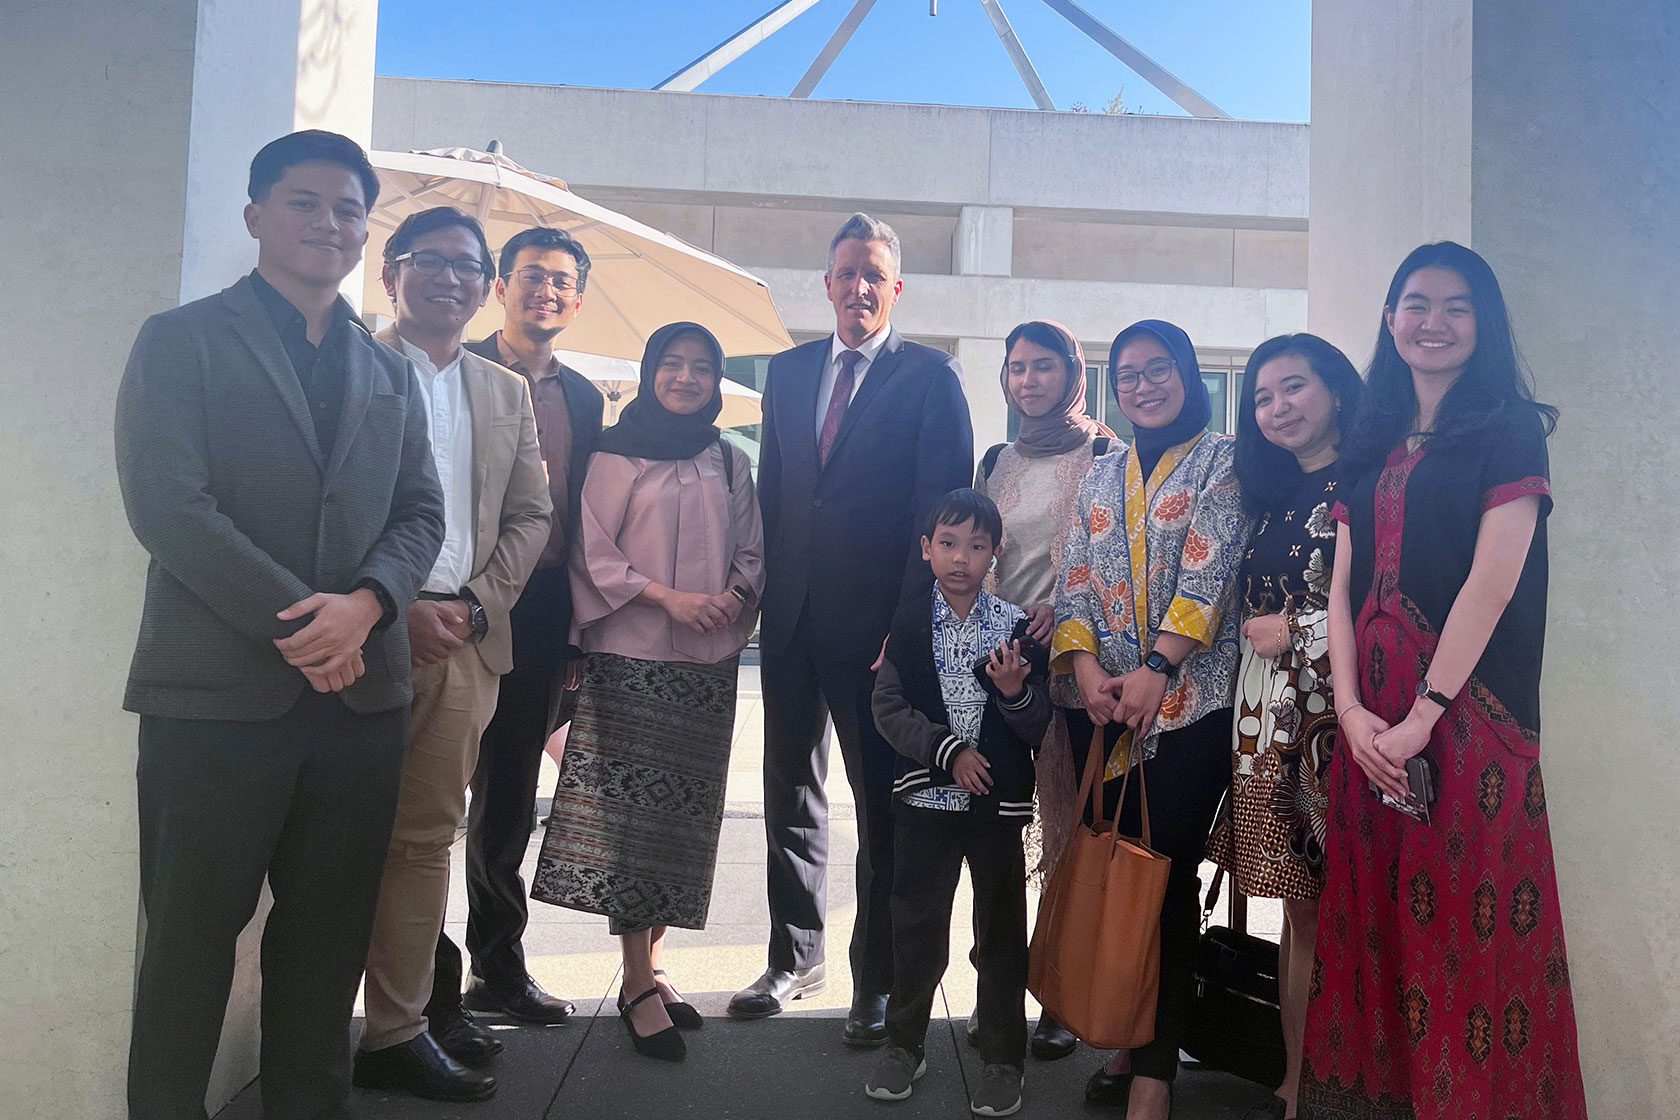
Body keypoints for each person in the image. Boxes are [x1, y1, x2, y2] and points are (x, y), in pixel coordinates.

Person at [115, 130, 446, 1120]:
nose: (329, 223)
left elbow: (420, 513)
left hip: (360, 706)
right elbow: (170, 506)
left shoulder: (387, 370)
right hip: (215, 699)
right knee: (187, 943)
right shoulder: (180, 341)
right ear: (257, 215)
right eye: (305, 203)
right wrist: (306, 623)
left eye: (348, 210)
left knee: (326, 944)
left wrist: (370, 604)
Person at [1300, 242, 1586, 1120]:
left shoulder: (1506, 428)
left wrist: (1423, 715)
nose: (1434, 321)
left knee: (1461, 938)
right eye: (1416, 303)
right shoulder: (1372, 437)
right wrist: (1350, 713)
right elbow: (1341, 586)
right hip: (1372, 730)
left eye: (1456, 306)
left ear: (1482, 323)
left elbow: (1493, 584)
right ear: (1391, 320)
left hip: (1469, 727)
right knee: (1373, 929)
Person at [731, 213, 974, 1047]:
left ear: (894, 288)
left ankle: (878, 980)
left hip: (876, 637)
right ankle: (795, 956)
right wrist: (758, 598)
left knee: (880, 814)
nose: (859, 287)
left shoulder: (930, 378)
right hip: (790, 624)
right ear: (826, 284)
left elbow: (939, 519)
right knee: (788, 796)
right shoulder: (789, 373)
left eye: (874, 274)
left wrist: (906, 634)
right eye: (846, 272)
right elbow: (777, 494)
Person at [350, 207, 552, 1103]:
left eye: (467, 266)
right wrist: (390, 609)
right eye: (427, 262)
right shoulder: (348, 366)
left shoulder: (506, 392)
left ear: (486, 286)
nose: (449, 278)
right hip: (353, 637)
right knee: (329, 835)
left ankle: (399, 1028)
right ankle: (318, 1021)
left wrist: (473, 606)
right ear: (391, 273)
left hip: (463, 643)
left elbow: (532, 516)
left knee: (425, 841)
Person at [530, 322, 764, 1063]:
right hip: (630, 658)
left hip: (708, 662)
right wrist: (670, 598)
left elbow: (755, 547)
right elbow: (593, 553)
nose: (687, 377)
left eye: (702, 367)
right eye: (673, 364)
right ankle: (633, 981)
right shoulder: (613, 452)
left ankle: (654, 964)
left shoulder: (728, 458)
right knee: (632, 820)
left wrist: (733, 594)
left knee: (681, 824)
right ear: (649, 372)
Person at [1051, 319, 1250, 1120]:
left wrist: (1155, 670)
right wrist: (1092, 671)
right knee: (1114, 872)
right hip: (1102, 709)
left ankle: (1154, 1072)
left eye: (1156, 368)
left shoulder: (1224, 459)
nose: (1140, 384)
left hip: (1188, 706)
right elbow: (1074, 579)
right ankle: (1134, 1036)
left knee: (1161, 878)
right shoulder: (1101, 472)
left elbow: (1211, 573)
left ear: (1188, 372)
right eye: (1126, 374)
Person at [428, 226, 603, 1033]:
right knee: (428, 795)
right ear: (500, 286)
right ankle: (422, 979)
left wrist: (576, 630)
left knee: (507, 801)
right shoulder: (451, 372)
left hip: (540, 608)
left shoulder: (585, 398)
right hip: (448, 599)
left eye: (563, 281)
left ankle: (498, 967)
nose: (547, 291)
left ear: (578, 296)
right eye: (532, 276)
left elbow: (582, 517)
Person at [1206, 333, 1363, 1120]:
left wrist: (1295, 634)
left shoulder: (1369, 482)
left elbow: (1385, 609)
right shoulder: (1268, 495)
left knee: (1340, 905)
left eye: (1294, 387)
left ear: (1336, 388)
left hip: (1340, 720)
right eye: (1262, 397)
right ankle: (1300, 1076)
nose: (1277, 408)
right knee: (1298, 905)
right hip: (1265, 724)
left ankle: (1338, 1077)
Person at [864, 489, 1051, 1117]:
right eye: (947, 543)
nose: (961, 557)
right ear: (925, 549)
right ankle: (903, 1045)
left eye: (976, 545)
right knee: (915, 926)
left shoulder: (1015, 628)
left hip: (996, 810)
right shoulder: (909, 624)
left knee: (999, 933)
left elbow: (1036, 728)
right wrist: (949, 753)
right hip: (925, 803)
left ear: (995, 552)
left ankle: (1003, 1056)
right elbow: (888, 709)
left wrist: (1015, 693)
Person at [970, 320, 1117, 1061]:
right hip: (1002, 667)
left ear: (1073, 373)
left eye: (1044, 366)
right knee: (997, 832)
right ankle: (996, 988)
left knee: (1071, 834)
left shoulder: (1106, 453)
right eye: (1016, 367)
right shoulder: (995, 458)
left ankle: (1060, 994)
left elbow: (1118, 554)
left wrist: (1069, 604)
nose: (1028, 379)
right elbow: (970, 548)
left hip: (1076, 667)